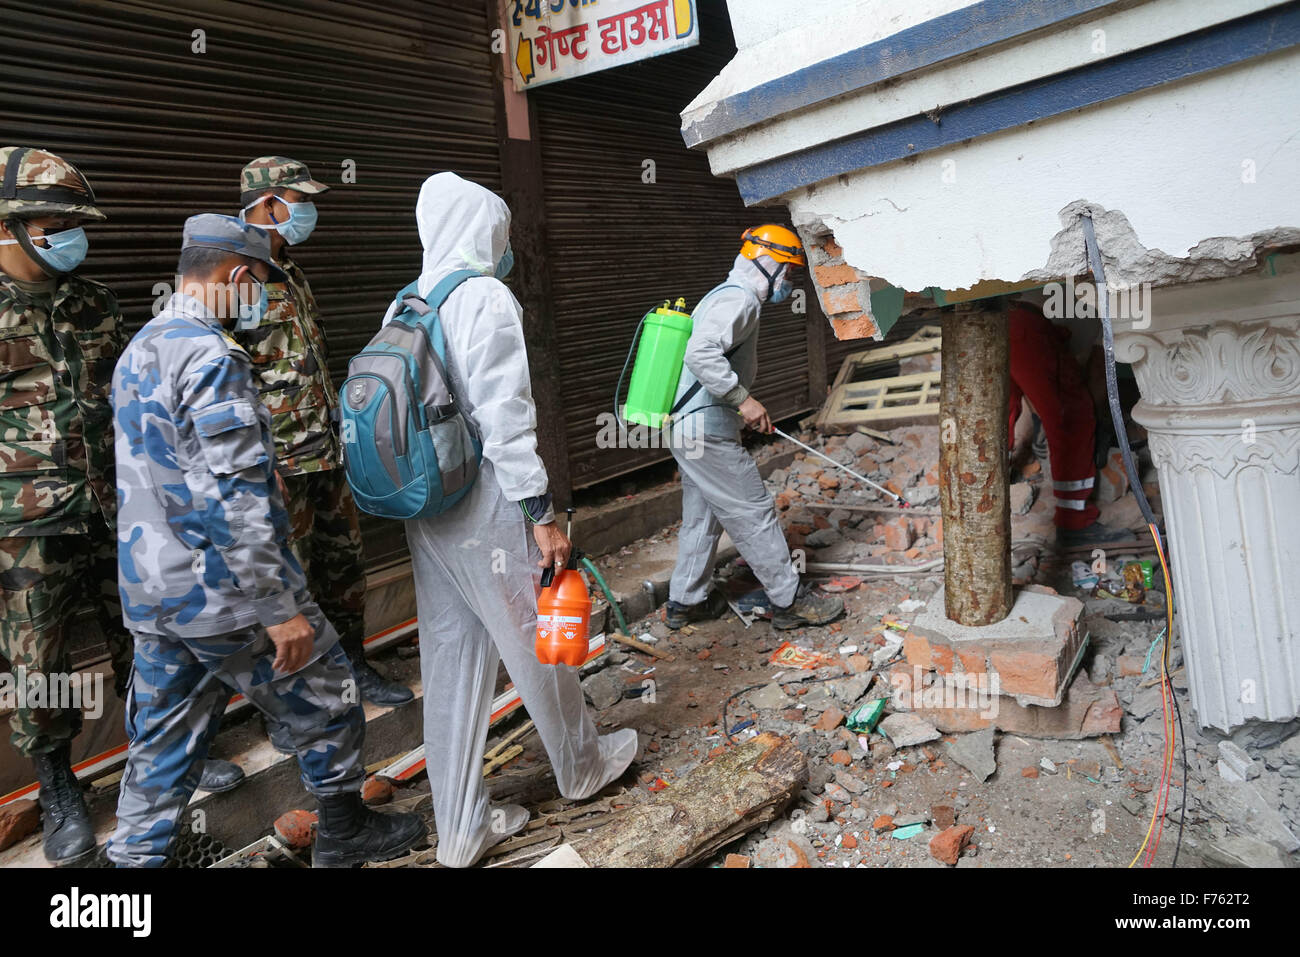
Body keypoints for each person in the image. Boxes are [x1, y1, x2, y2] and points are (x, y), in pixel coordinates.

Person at [107, 215, 424, 867]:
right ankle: (343, 831)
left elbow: (168, 466)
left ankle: (130, 870)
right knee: (330, 692)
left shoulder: (142, 345)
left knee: (162, 746)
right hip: (225, 594)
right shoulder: (213, 356)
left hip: (153, 592)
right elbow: (235, 499)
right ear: (239, 276)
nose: (259, 300)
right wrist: (279, 608)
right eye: (259, 285)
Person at [0, 147, 239, 866]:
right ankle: (57, 789)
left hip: (119, 506)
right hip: (24, 526)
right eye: (54, 224)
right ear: (9, 226)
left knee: (148, 638)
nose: (72, 236)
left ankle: (167, 758)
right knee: (37, 663)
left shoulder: (93, 302)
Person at [391, 173, 636, 868]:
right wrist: (541, 512)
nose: (502, 247)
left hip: (425, 509)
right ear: (479, 229)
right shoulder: (482, 297)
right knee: (536, 638)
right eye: (497, 232)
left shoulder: (404, 303)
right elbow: (504, 420)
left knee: (450, 661)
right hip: (483, 501)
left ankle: (461, 826)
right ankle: (582, 765)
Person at [235, 156, 411, 708]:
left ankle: (354, 668)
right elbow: (223, 378)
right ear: (268, 205)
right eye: (299, 201)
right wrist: (256, 463)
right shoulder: (233, 276)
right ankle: (290, 705)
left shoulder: (289, 270)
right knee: (287, 586)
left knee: (344, 572)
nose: (307, 212)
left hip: (326, 454)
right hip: (280, 465)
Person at [663, 225, 845, 631]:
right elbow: (700, 353)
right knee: (752, 510)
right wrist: (742, 400)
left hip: (690, 428)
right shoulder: (739, 300)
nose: (789, 282)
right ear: (767, 263)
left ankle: (684, 602)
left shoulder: (724, 296)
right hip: (703, 430)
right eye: (788, 271)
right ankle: (788, 599)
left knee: (704, 515)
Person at [1007, 300, 1130, 545]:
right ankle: (1075, 520)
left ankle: (979, 497)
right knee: (1072, 417)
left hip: (1005, 316)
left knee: (1002, 411)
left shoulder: (1086, 312)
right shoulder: (1109, 322)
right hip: (1029, 327)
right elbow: (1096, 376)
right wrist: (1087, 419)